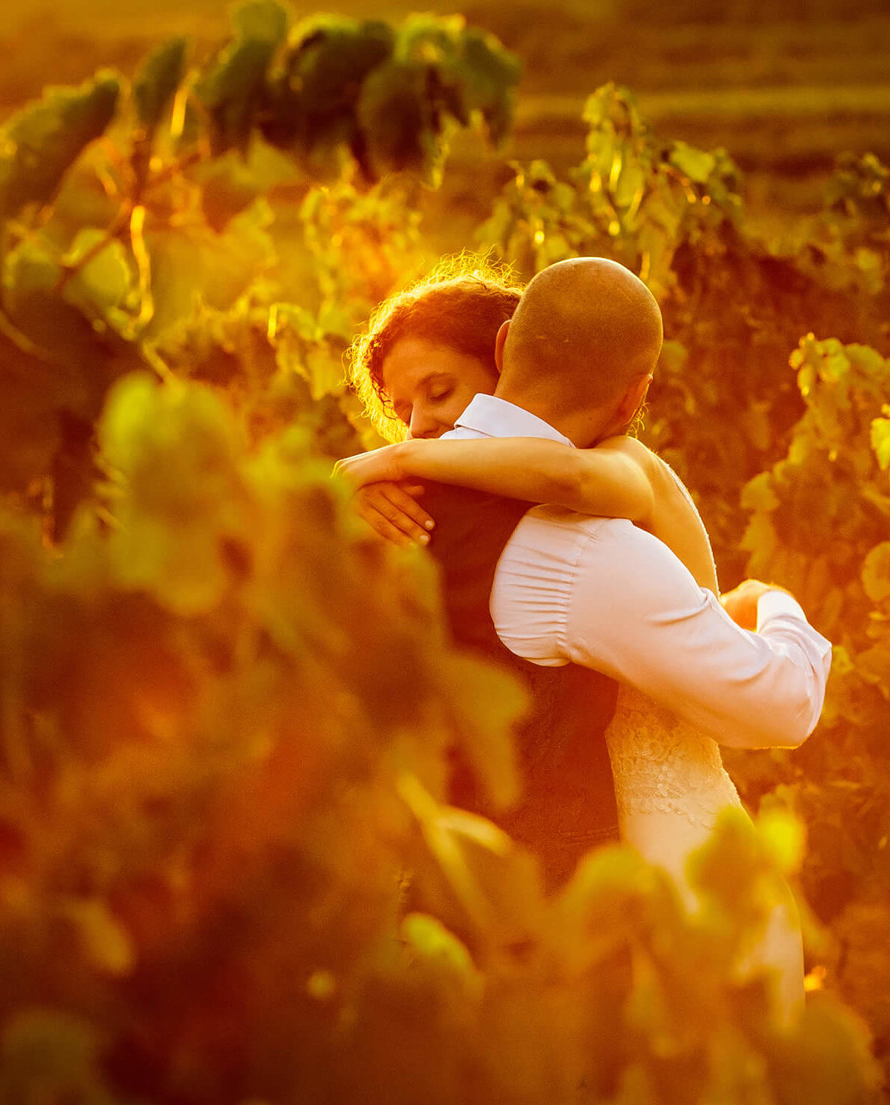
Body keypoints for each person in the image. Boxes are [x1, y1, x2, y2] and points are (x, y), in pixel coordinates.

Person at [337, 257, 827, 1021]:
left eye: (439, 392)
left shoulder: (394, 512)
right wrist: (778, 604)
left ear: (501, 351)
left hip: (454, 927)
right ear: (635, 395)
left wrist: (368, 471)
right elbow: (781, 707)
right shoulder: (573, 547)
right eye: (405, 411)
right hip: (611, 931)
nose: (423, 425)